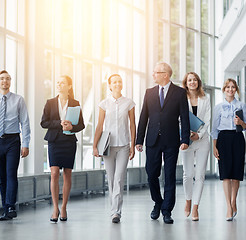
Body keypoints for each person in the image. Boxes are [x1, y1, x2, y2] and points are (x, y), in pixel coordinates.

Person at [136, 62, 190, 224]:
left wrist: (185, 139)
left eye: (156, 72)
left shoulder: (179, 93)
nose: (153, 75)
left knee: (169, 176)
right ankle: (158, 201)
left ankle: (167, 210)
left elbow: (184, 117)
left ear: (165, 75)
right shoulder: (149, 92)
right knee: (152, 174)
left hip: (171, 140)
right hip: (152, 139)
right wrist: (139, 140)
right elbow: (143, 117)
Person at [0, 70, 31, 221]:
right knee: (2, 176)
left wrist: (26, 143)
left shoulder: (18, 100)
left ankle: (10, 206)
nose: (5, 81)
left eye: (8, 79)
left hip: (13, 141)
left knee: (11, 174)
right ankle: (5, 208)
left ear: (10, 82)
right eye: (1, 79)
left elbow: (25, 123)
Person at [41, 75, 85, 223]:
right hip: (54, 141)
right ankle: (55, 207)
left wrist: (72, 127)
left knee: (67, 174)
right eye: (58, 83)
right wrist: (58, 123)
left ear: (69, 86)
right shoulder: (50, 102)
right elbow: (43, 122)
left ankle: (64, 206)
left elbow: (81, 125)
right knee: (54, 173)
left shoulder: (75, 103)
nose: (59, 85)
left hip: (69, 141)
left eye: (63, 83)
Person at [93, 74, 136, 224]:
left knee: (119, 179)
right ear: (110, 85)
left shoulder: (129, 103)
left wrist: (133, 145)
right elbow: (99, 126)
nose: (117, 84)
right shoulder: (104, 104)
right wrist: (94, 146)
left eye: (119, 82)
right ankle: (114, 209)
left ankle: (116, 212)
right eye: (114, 82)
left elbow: (132, 125)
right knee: (111, 179)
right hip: (108, 146)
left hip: (124, 145)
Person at [211, 78, 246, 221]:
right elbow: (214, 129)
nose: (230, 89)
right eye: (227, 87)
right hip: (223, 139)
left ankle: (234, 201)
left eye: (233, 87)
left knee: (236, 174)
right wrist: (214, 146)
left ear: (236, 90)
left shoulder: (241, 105)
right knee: (225, 174)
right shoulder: (218, 107)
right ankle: (228, 206)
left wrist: (241, 123)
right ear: (224, 89)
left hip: (238, 138)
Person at [180, 72, 211, 221]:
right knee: (188, 174)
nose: (192, 82)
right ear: (186, 83)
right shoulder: (181, 99)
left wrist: (199, 134)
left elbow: (207, 119)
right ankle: (188, 200)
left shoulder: (206, 98)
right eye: (189, 80)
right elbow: (177, 119)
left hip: (202, 140)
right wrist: (187, 134)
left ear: (198, 82)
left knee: (199, 175)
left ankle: (195, 207)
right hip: (186, 140)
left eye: (195, 80)